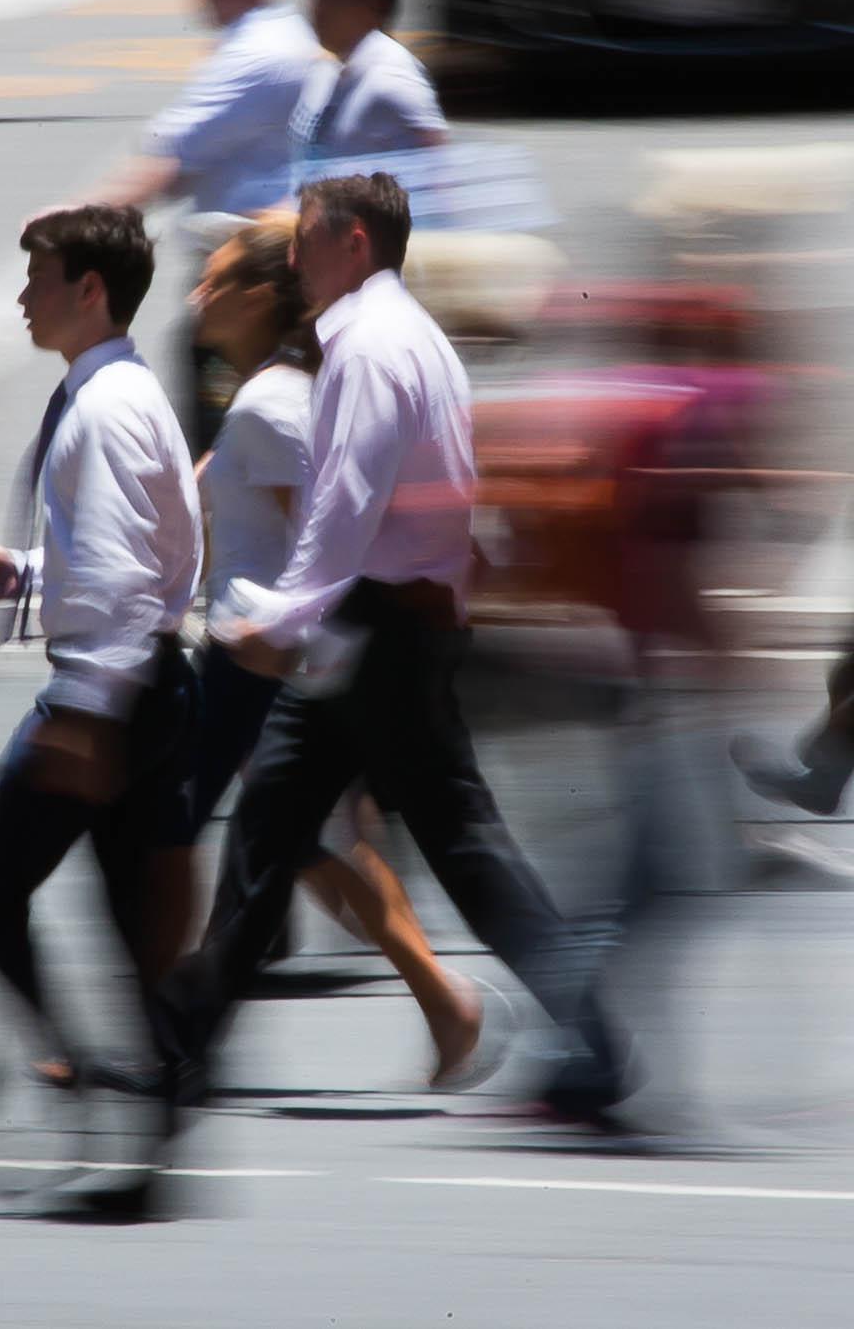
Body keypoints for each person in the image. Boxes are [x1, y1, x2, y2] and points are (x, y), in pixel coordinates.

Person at [147, 174, 630, 1141]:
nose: (294, 262)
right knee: (272, 827)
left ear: (354, 240)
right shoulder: (421, 339)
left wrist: (286, 616)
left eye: (307, 244)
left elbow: (345, 501)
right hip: (390, 624)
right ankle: (186, 1043)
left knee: (457, 842)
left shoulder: (365, 345)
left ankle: (596, 1038)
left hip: (371, 627)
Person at [187, 214, 488, 1089]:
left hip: (260, 655)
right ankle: (439, 1001)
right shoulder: (267, 395)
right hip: (260, 650)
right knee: (301, 850)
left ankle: (174, 1037)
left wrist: (289, 644)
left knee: (202, 829)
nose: (196, 296)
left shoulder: (270, 403)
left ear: (256, 298)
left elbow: (315, 538)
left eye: (213, 281)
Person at [0, 205, 202, 1085]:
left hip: (109, 692)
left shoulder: (104, 411)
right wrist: (21, 571)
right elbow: (112, 554)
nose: (23, 297)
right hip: (142, 687)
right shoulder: (116, 394)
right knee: (131, 927)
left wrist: (88, 717)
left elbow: (128, 578)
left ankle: (77, 1063)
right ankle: (151, 1099)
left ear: (90, 290)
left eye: (38, 279)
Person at [92, 0, 319, 218]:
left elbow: (168, 157)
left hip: (255, 243)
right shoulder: (279, 34)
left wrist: (76, 218)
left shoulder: (257, 52)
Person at [289, 0, 449, 169]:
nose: (316, 7)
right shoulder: (332, 70)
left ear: (374, 7)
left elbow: (437, 184)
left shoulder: (393, 83)